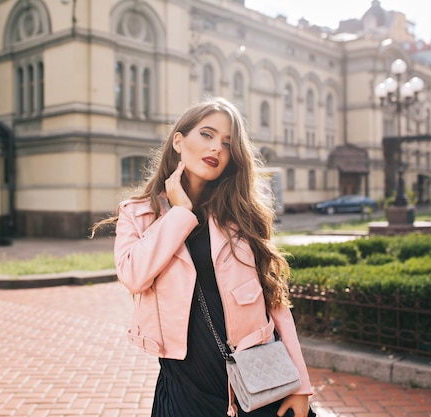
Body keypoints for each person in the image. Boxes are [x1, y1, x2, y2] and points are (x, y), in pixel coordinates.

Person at [93, 97, 315, 417]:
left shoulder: (239, 215)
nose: (216, 149)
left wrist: (301, 385)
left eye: (227, 143)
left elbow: (275, 303)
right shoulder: (138, 213)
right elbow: (133, 275)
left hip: (255, 379)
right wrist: (180, 213)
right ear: (179, 141)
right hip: (185, 383)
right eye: (207, 135)